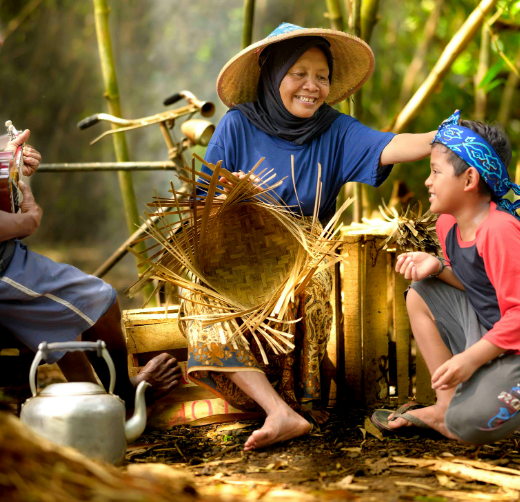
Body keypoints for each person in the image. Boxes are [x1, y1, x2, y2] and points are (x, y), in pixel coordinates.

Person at [181, 23, 438, 451]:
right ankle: (277, 410)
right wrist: (234, 197)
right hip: (234, 250)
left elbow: (390, 145)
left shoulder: (335, 129)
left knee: (313, 284)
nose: (312, 86)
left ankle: (294, 401)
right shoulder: (237, 124)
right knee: (198, 293)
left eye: (322, 76)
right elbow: (200, 205)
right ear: (272, 75)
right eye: (298, 73)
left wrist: (444, 137)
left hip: (303, 251)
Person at [0, 128, 181, 409]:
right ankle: (126, 395)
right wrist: (28, 220)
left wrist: (9, 161)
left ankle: (97, 406)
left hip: (8, 252)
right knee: (99, 299)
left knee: (67, 320)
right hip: (4, 266)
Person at [371, 110, 520, 444]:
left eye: (436, 171)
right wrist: (437, 267)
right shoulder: (448, 224)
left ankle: (463, 412)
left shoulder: (499, 231)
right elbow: (479, 287)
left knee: (469, 425)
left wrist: (470, 359)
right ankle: (445, 407)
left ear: (469, 180)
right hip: (493, 333)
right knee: (421, 290)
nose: (428, 181)